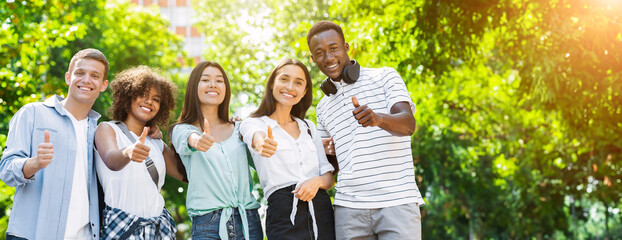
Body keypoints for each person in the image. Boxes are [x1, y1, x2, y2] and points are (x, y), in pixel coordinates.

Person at [306, 21, 424, 240]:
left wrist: (377, 119)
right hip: (348, 209)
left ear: (346, 47)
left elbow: (408, 124)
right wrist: (321, 152)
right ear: (313, 59)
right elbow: (331, 166)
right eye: (320, 53)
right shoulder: (322, 107)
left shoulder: (385, 77)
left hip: (396, 202)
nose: (329, 58)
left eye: (334, 48)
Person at [0, 49, 109, 240]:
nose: (86, 80)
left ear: (103, 85)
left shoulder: (99, 132)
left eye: (95, 76)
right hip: (31, 234)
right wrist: (34, 164)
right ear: (68, 77)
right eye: (79, 73)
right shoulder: (32, 113)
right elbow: (6, 170)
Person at [240, 59, 336, 240]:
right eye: (284, 79)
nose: (290, 87)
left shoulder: (308, 127)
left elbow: (329, 177)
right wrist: (261, 143)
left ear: (304, 91)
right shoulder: (253, 123)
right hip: (283, 216)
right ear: (272, 84)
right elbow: (254, 135)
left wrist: (316, 182)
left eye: (298, 82)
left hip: (321, 211)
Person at [169, 61, 263, 240]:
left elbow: (262, 162)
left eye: (219, 80)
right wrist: (198, 141)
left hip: (248, 222)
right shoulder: (181, 130)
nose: (213, 84)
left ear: (225, 88)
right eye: (205, 80)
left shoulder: (240, 129)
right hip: (208, 225)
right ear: (194, 87)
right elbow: (189, 139)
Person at [94, 66, 181, 239]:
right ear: (127, 97)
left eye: (156, 99)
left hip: (157, 229)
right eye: (143, 95)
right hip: (123, 228)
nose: (149, 102)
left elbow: (186, 175)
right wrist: (128, 152)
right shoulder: (107, 129)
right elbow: (111, 159)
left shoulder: (157, 142)